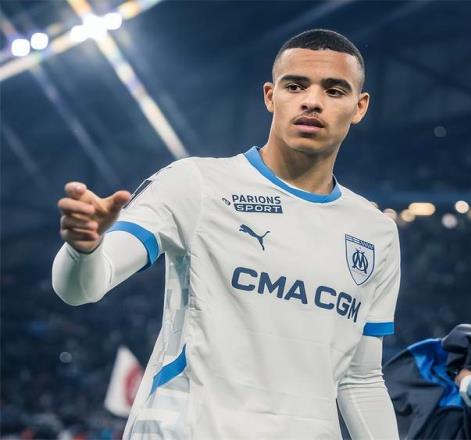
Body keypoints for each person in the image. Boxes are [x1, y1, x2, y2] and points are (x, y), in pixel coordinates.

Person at [52, 29, 401, 439]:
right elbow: (81, 289)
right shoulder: (196, 184)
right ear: (270, 96)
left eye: (334, 90)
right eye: (295, 86)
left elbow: (361, 379)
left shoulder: (375, 231)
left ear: (360, 107)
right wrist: (83, 250)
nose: (311, 100)